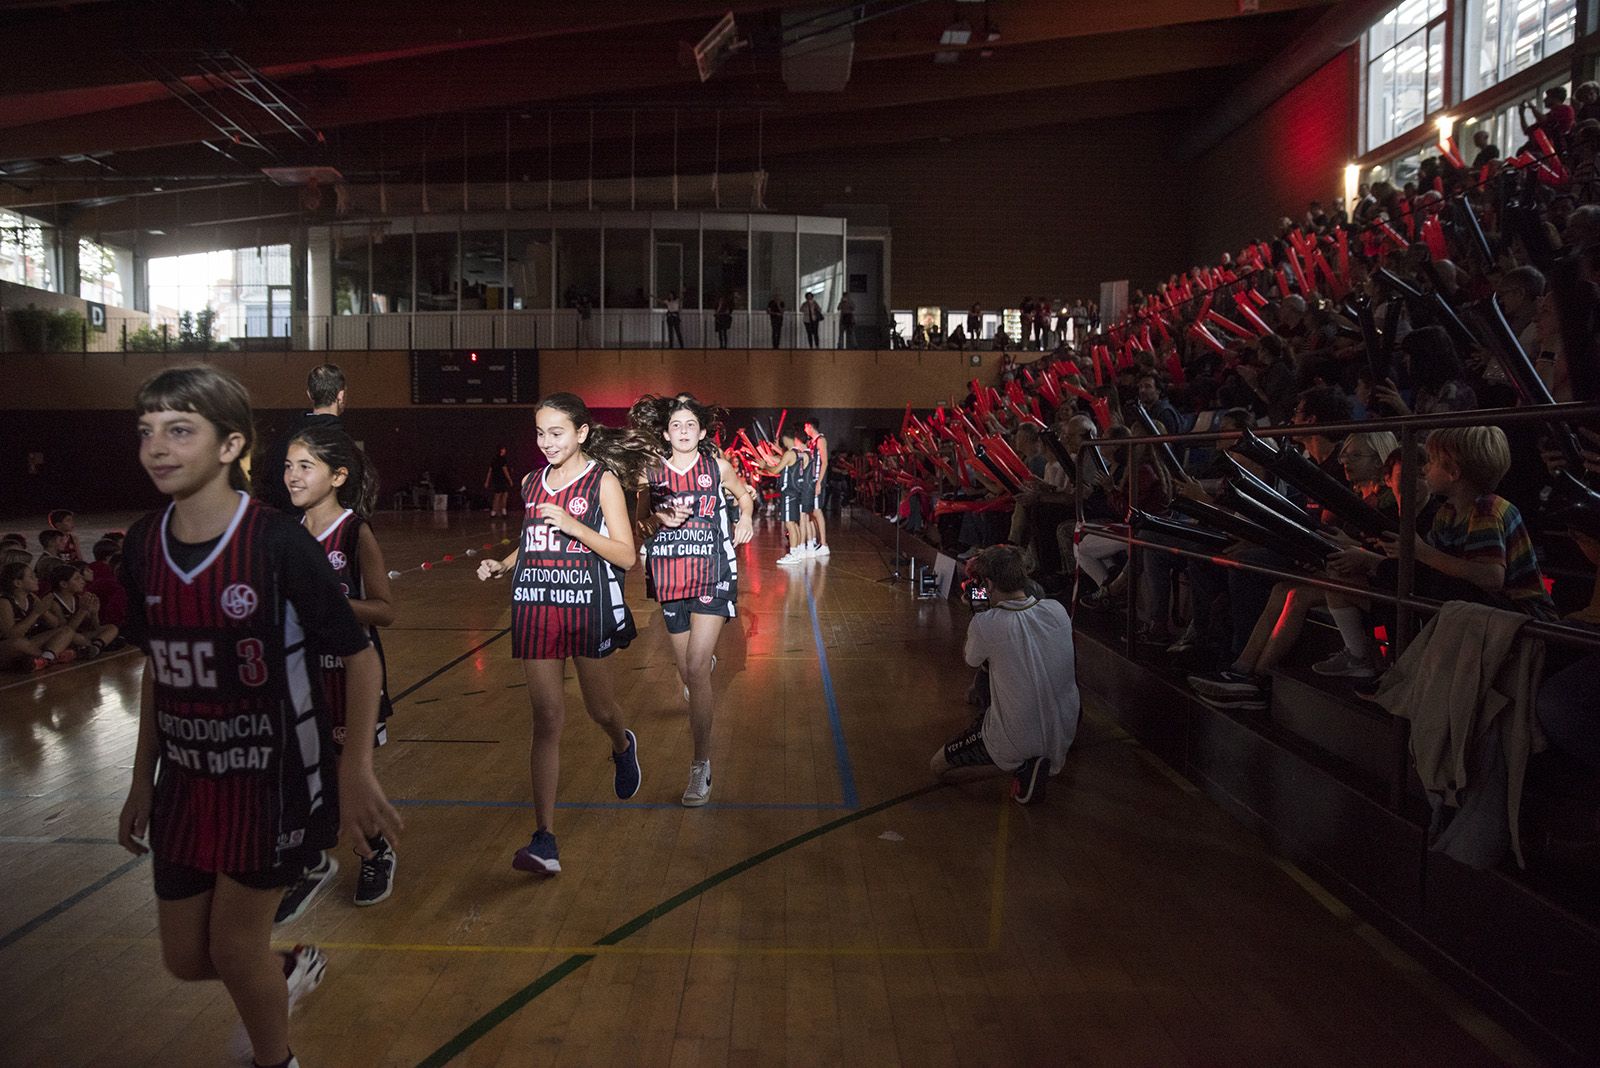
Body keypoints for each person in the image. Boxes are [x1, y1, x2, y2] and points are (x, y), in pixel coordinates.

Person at [115, 364, 400, 1068]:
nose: (158, 446)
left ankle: (277, 1059)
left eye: (180, 430)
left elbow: (358, 650)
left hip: (270, 783)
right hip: (186, 782)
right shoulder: (142, 546)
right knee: (186, 958)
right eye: (147, 431)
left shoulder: (277, 543)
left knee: (234, 945)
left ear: (229, 445)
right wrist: (141, 780)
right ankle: (287, 971)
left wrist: (354, 766)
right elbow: (160, 667)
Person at [478, 393, 643, 872]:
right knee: (546, 718)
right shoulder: (531, 481)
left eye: (556, 432)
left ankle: (622, 744)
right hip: (535, 604)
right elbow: (534, 539)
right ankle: (544, 838)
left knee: (600, 709)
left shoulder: (602, 482)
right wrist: (503, 564)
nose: (546, 442)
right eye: (540, 433)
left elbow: (626, 556)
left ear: (581, 433)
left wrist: (573, 524)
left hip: (585, 606)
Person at [273, 425, 399, 920]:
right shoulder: (284, 534)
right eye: (288, 466)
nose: (293, 476)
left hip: (349, 673)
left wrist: (331, 605)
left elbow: (385, 611)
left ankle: (375, 852)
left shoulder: (354, 531)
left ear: (338, 475)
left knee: (348, 779)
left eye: (306, 466)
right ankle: (309, 861)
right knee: (300, 775)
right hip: (298, 673)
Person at [628, 393, 755, 806]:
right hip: (669, 577)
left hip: (712, 574)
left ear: (702, 433)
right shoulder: (650, 473)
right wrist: (656, 520)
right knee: (688, 670)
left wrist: (747, 518)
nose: (683, 431)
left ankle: (700, 765)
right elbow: (638, 527)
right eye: (676, 426)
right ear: (666, 433)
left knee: (697, 669)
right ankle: (696, 673)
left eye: (690, 425)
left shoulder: (716, 467)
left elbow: (745, 495)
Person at [930, 546, 1079, 805]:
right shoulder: (1056, 609)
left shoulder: (986, 623)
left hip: (1015, 738)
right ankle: (1031, 761)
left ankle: (1021, 768)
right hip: (1064, 730)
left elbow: (972, 659)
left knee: (938, 768)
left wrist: (979, 613)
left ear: (988, 583)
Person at [255, 363, 346, 515]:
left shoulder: (284, 441)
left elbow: (267, 488)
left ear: (310, 394)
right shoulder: (343, 444)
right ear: (341, 396)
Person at [0, 560, 80, 670]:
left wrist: (44, 611)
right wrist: (36, 613)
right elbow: (11, 635)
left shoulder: (32, 597)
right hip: (10, 646)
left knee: (67, 631)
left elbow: (55, 624)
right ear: (18, 583)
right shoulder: (4, 602)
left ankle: (45, 659)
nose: (36, 579)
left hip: (31, 642)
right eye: (32, 577)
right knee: (19, 643)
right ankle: (52, 656)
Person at [47, 560, 120, 654]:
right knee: (77, 637)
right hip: (62, 638)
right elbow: (65, 631)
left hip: (81, 634)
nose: (82, 581)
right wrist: (83, 610)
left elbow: (95, 627)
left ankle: (95, 647)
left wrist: (94, 613)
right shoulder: (54, 603)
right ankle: (93, 646)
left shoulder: (79, 598)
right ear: (64, 584)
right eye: (77, 579)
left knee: (112, 628)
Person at [768, 429, 810, 564]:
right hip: (796, 492)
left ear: (788, 439)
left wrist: (764, 466)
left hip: (789, 492)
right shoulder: (799, 454)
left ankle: (793, 553)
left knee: (790, 524)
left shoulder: (790, 453)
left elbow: (775, 470)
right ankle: (796, 552)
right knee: (794, 524)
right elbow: (782, 460)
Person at [803, 418, 831, 557]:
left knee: (817, 510)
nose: (804, 430)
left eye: (805, 427)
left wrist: (819, 482)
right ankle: (818, 542)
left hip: (817, 481)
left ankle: (824, 544)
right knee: (812, 512)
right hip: (811, 480)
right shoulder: (811, 442)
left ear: (810, 426)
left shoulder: (821, 440)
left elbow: (825, 462)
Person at [485, 446, 514, 518]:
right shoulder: (502, 459)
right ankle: (503, 512)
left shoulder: (494, 459)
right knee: (504, 495)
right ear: (501, 450)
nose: (505, 450)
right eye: (504, 449)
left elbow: (490, 471)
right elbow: (505, 470)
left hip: (496, 480)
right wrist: (510, 480)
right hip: (502, 480)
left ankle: (494, 512)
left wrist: (487, 481)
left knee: (497, 496)